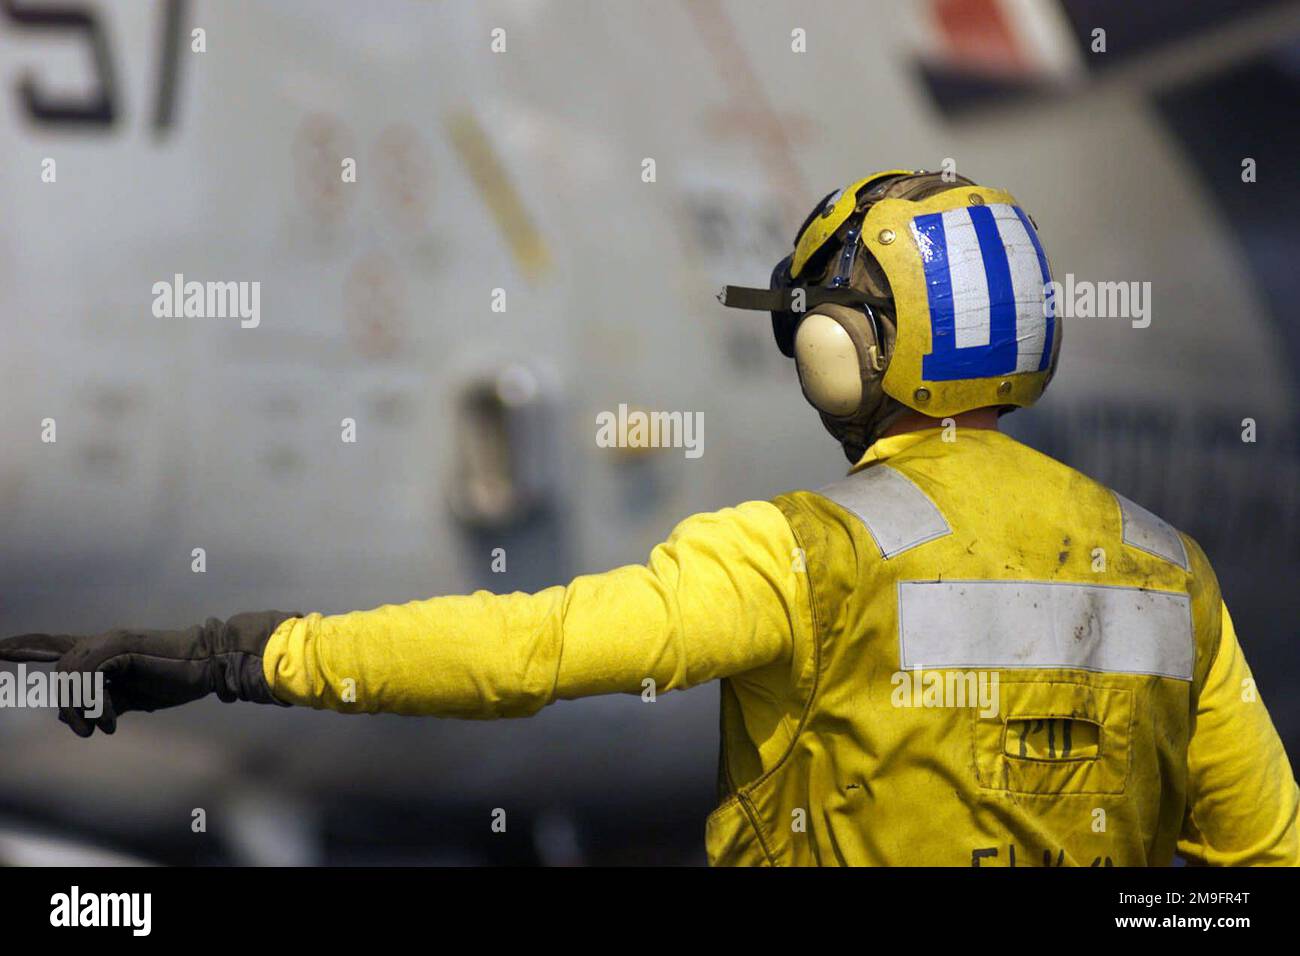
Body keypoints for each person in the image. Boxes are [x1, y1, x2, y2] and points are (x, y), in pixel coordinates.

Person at [3, 170, 1296, 866]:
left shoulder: (804, 559)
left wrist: (238, 654)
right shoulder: (1168, 576)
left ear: (849, 359)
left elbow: (525, 655)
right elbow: (1261, 853)